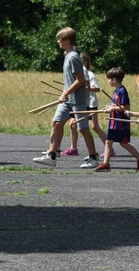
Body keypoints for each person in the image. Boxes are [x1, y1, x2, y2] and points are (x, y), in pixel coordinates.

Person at [32, 28, 98, 168]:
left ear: (67, 41)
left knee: (83, 128)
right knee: (56, 123)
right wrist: (65, 94)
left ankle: (93, 157)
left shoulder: (74, 57)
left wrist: (65, 93)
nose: (58, 42)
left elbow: (80, 80)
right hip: (67, 99)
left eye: (60, 39)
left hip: (77, 99)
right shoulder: (68, 55)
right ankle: (51, 155)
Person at [94, 68, 139, 171]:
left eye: (109, 79)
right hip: (114, 122)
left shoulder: (122, 91)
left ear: (114, 79)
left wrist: (112, 108)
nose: (108, 81)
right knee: (108, 141)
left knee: (123, 143)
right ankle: (106, 164)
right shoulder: (115, 91)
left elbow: (125, 108)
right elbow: (116, 104)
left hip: (121, 123)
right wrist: (109, 107)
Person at [64, 52, 106, 157]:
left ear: (85, 63)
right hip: (81, 102)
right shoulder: (77, 73)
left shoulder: (89, 74)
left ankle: (108, 147)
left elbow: (97, 88)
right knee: (72, 124)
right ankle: (73, 148)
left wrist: (86, 88)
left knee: (94, 126)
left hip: (90, 103)